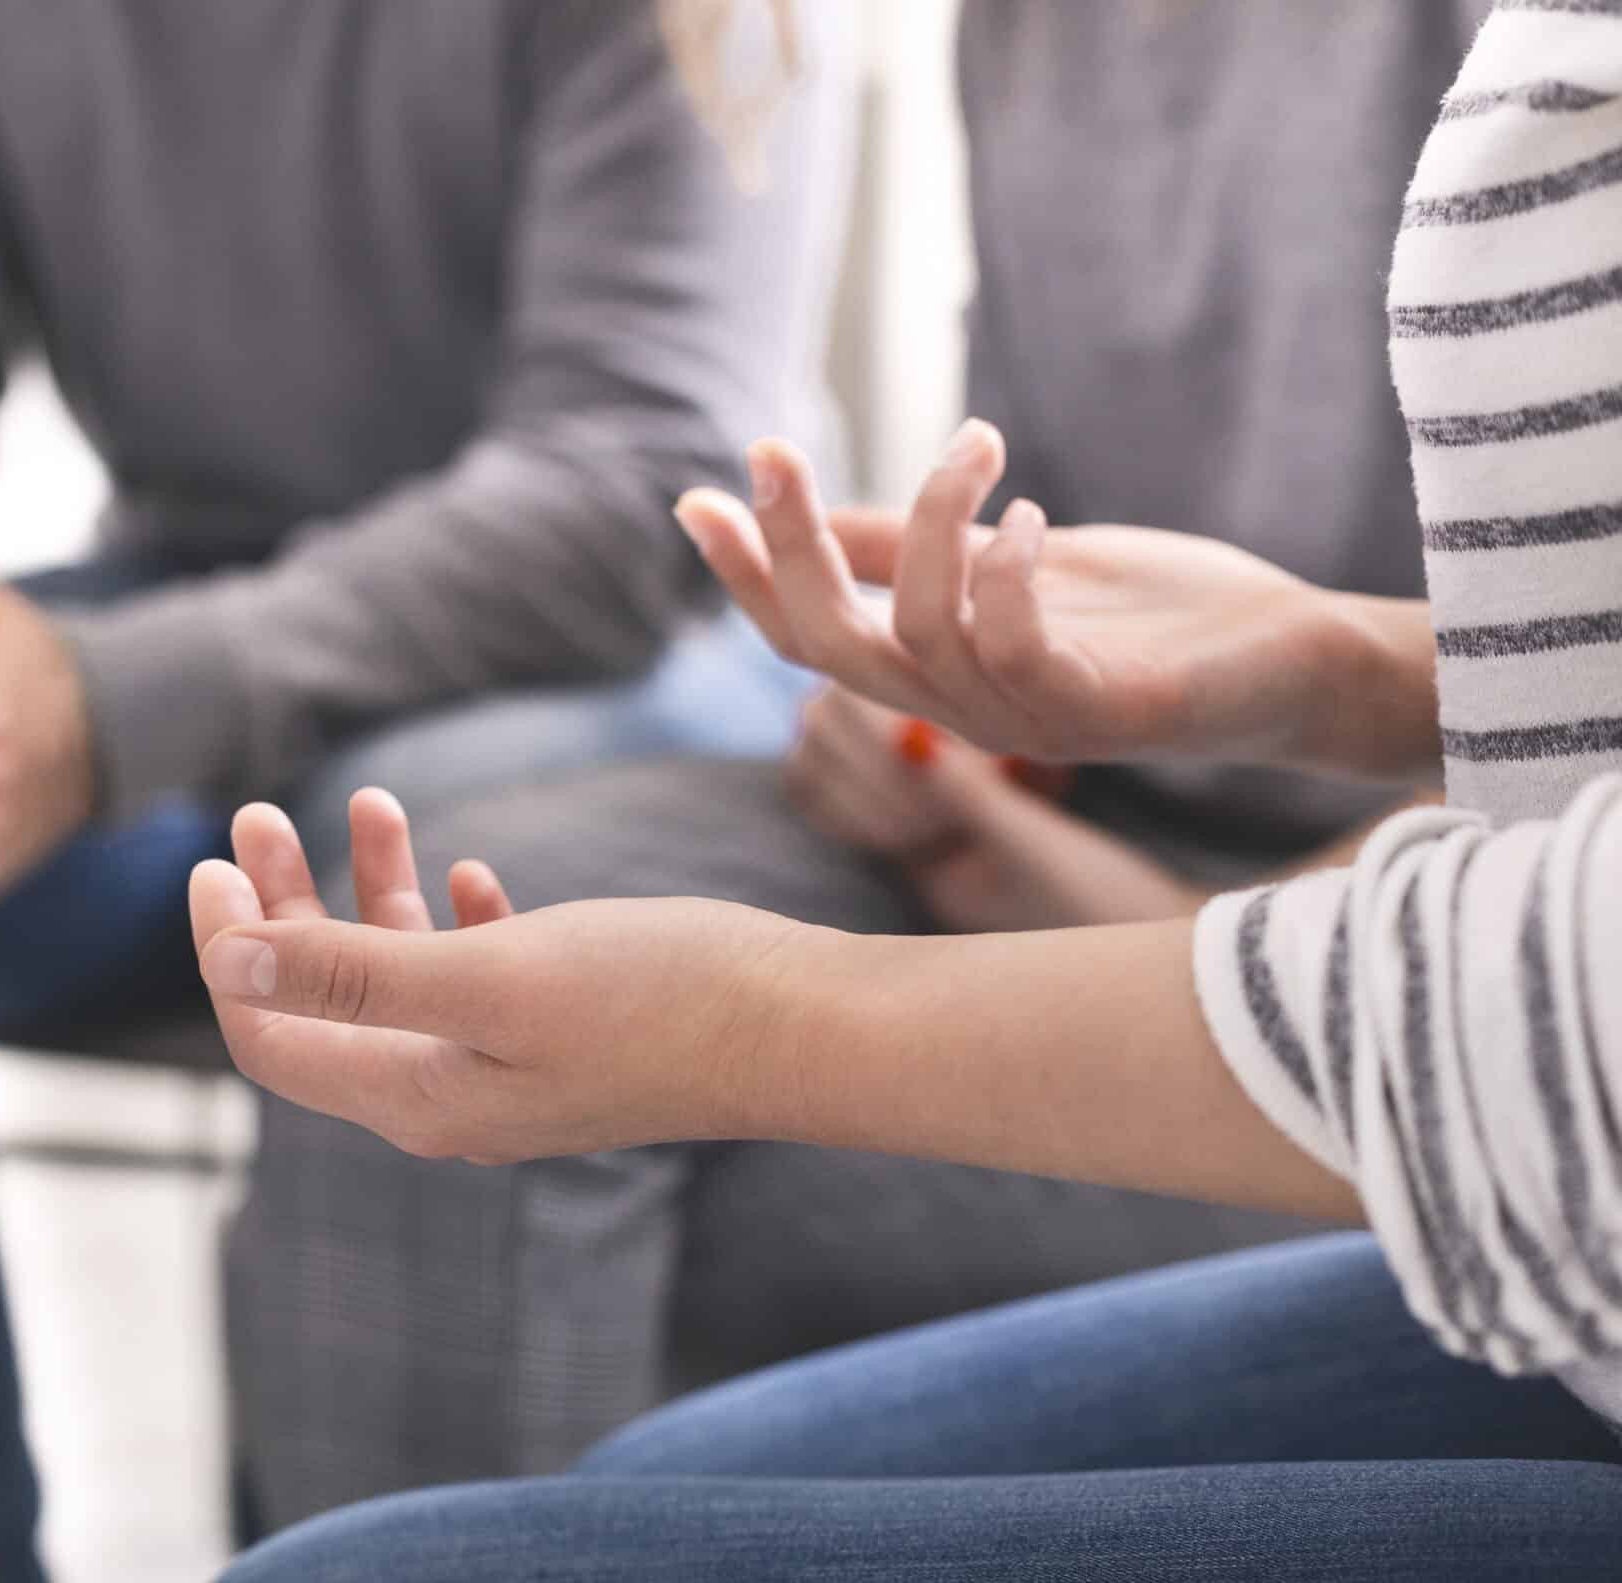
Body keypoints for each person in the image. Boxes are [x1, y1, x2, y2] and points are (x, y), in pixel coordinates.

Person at [193, 0, 1622, 1574]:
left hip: (1455, 979)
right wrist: (1334, 668)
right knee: (479, 997)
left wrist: (759, 1023)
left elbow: (1574, 1017)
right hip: (1299, 875)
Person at [0, 1, 856, 1575]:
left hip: (635, 632)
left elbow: (634, 478)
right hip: (207, 597)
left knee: (406, 861)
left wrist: (117, 702)